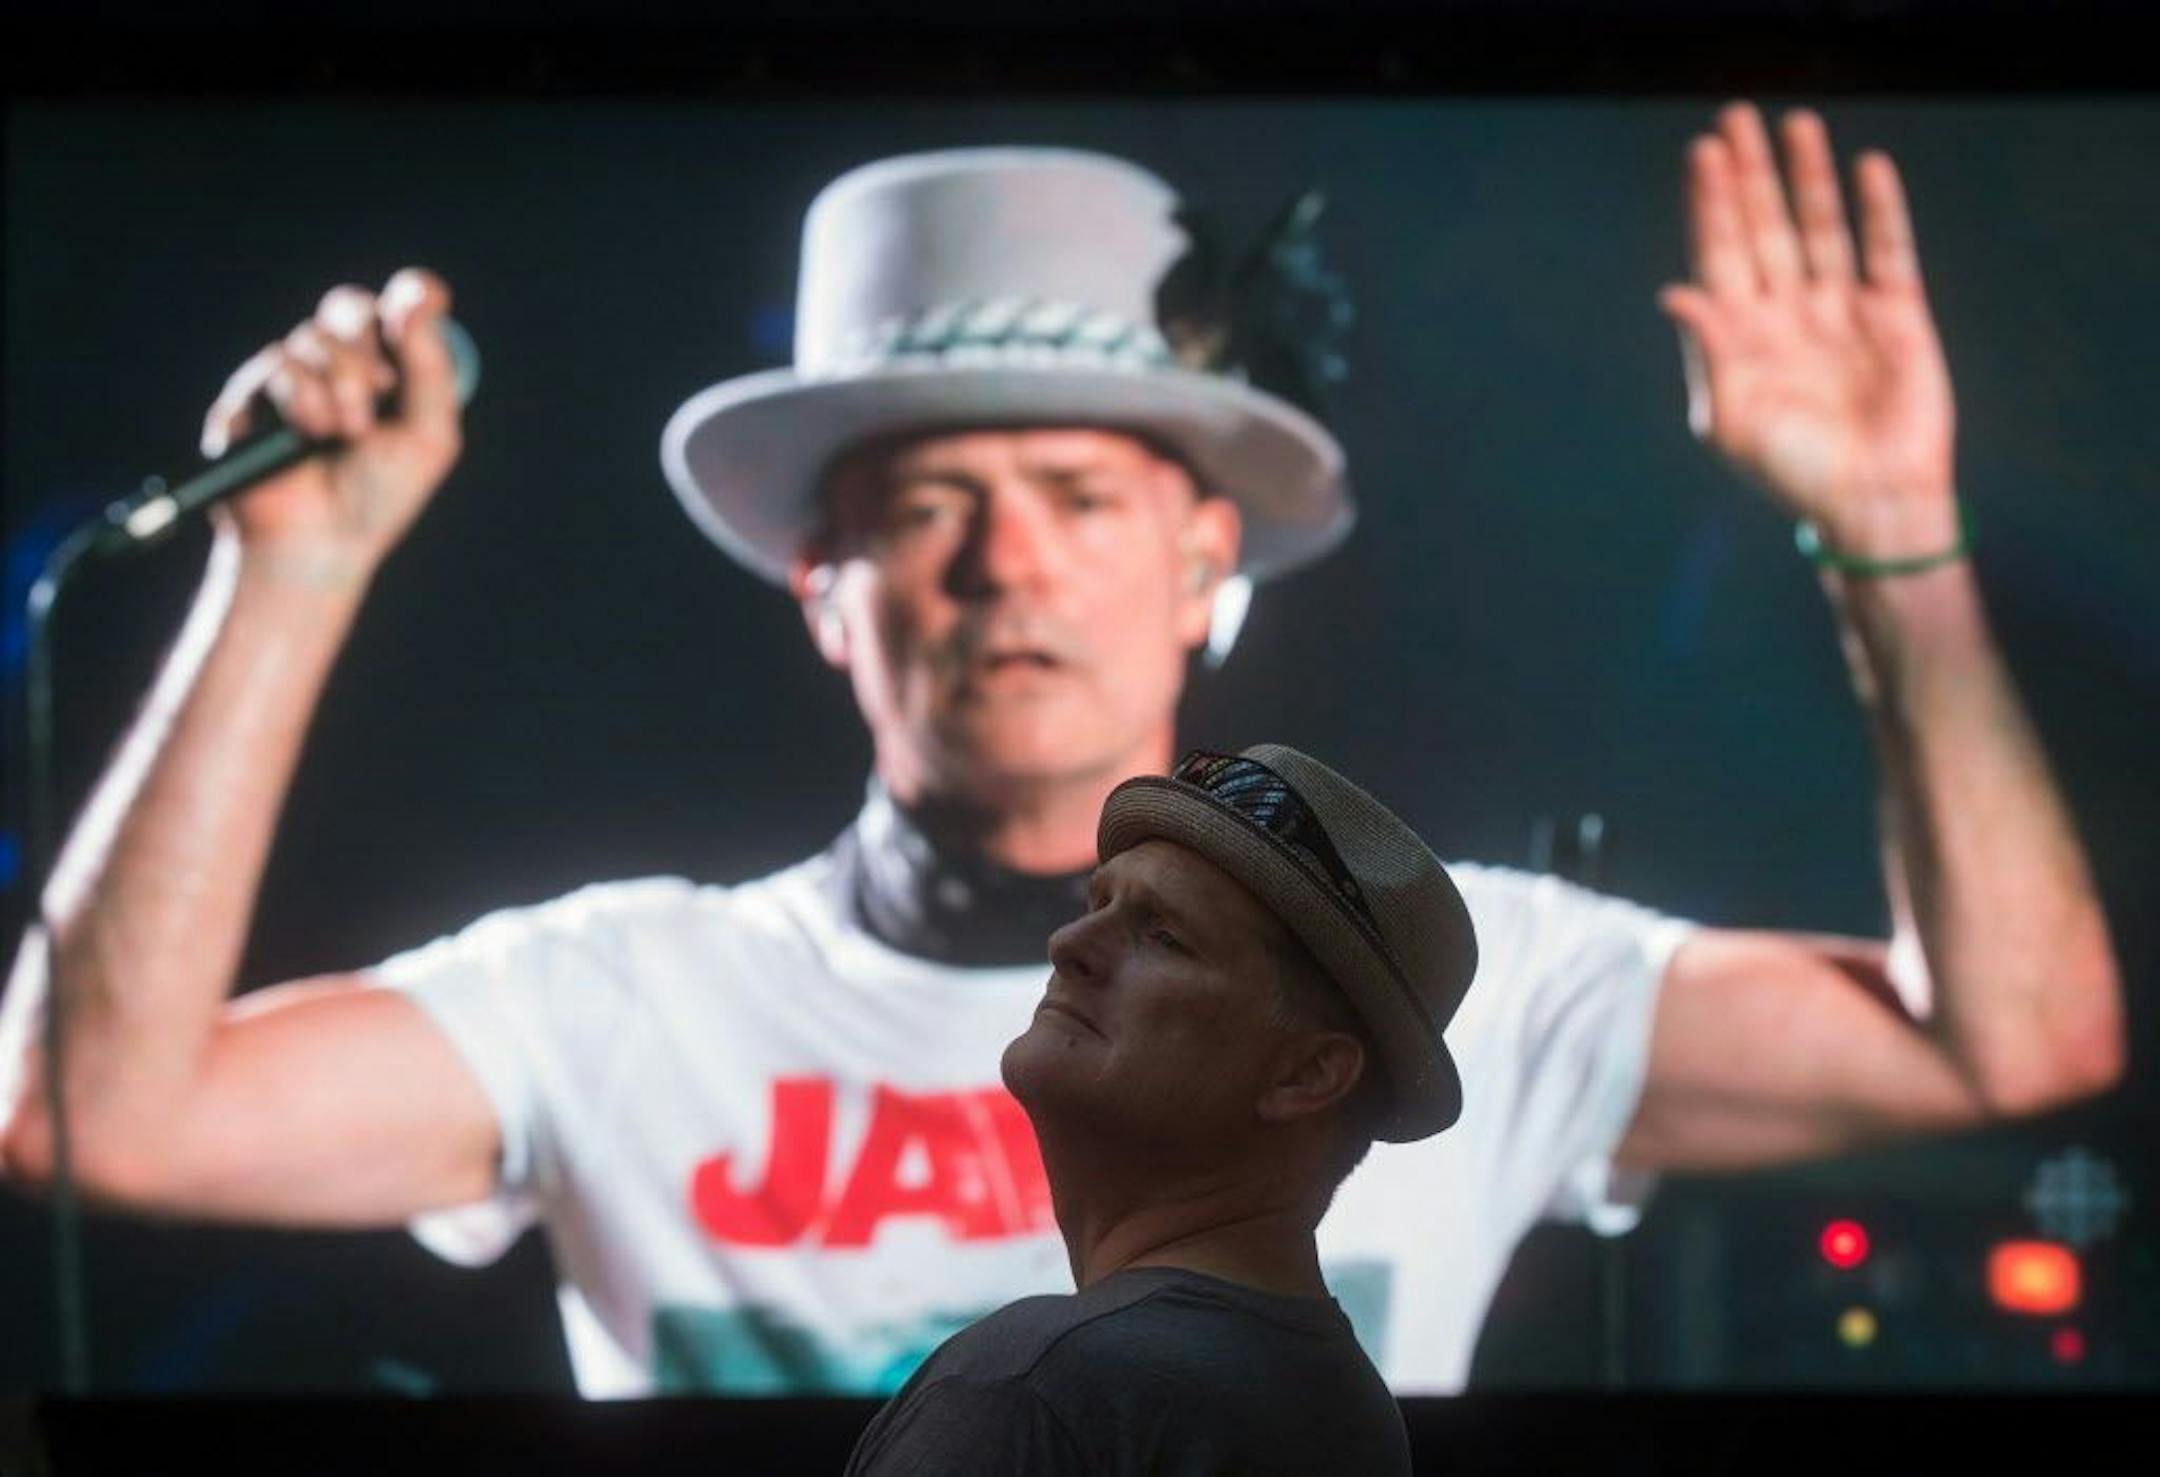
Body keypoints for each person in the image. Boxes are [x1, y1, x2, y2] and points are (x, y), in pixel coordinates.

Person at [0, 104, 2122, 1397]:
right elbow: (99, 1121)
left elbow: (2011, 1041)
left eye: (1083, 497)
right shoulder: (615, 999)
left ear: (1209, 564)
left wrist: (1894, 536)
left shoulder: (1439, 981)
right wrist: (288, 574)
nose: (1007, 562)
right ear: (823, 585)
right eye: (930, 505)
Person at [846, 744, 1473, 1476]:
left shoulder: (1033, 1393)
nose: (1068, 943)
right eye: (1098, 904)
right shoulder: (1349, 1406)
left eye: (1165, 936)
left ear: (1307, 1073)